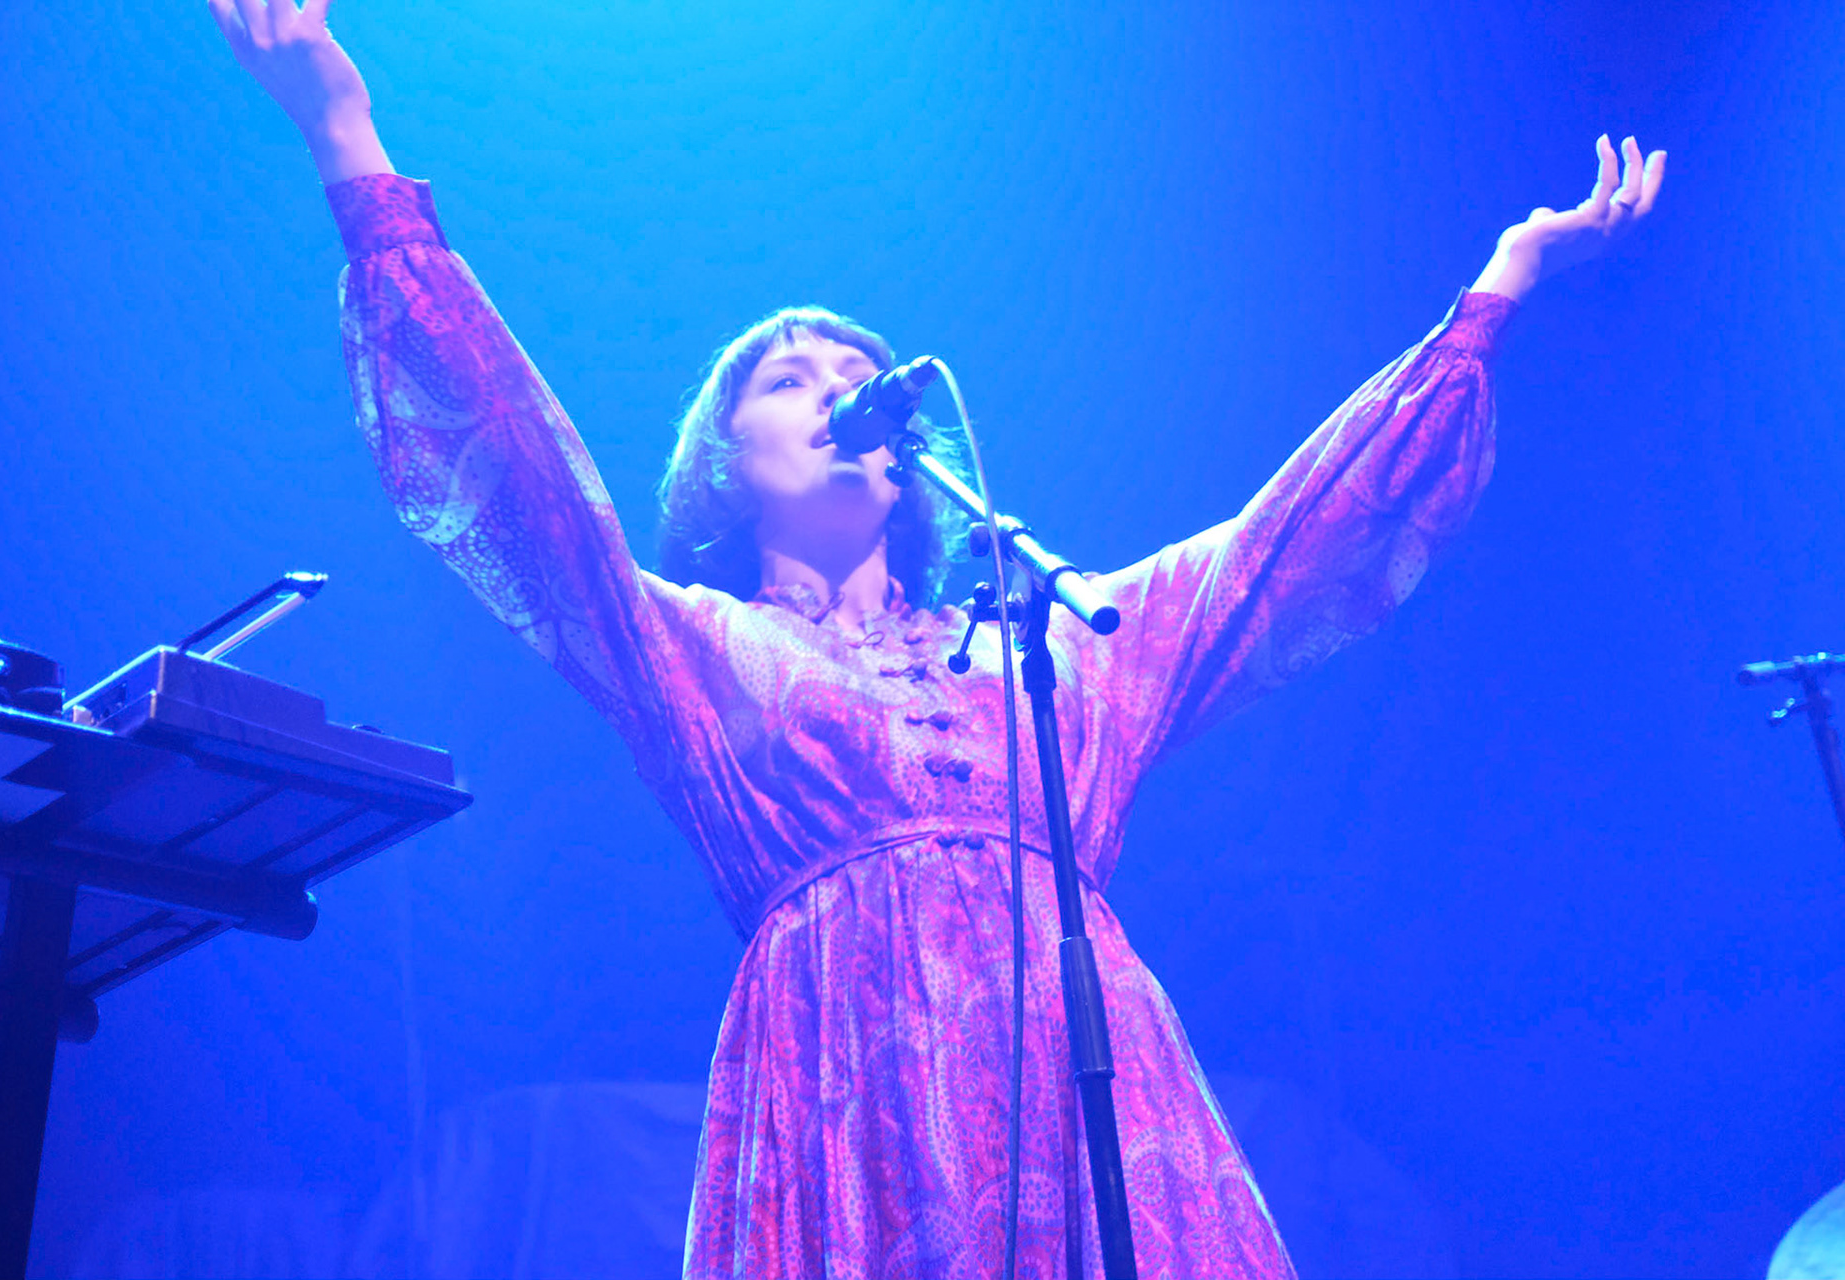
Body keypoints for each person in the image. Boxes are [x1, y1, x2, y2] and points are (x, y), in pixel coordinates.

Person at [207, 2, 1666, 1277]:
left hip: (1089, 1063)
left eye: (860, 370)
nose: (841, 388)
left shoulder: (1051, 643)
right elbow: (526, 484)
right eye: (791, 378)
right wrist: (350, 135)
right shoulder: (695, 648)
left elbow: (1285, 547)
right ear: (724, 461)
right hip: (844, 1085)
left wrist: (1498, 293)